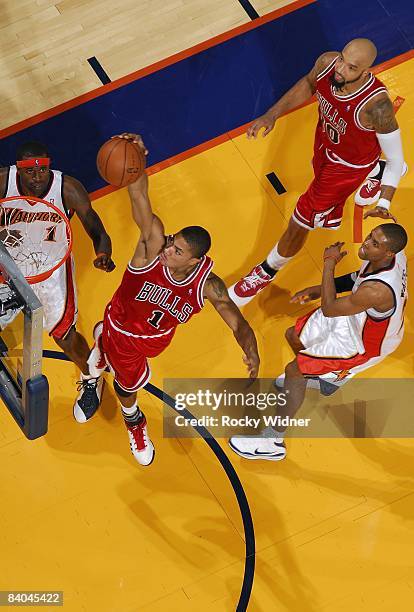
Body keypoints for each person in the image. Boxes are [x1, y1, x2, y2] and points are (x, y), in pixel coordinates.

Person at [86, 133, 260, 466]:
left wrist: (251, 352)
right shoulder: (152, 247)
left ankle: (100, 344)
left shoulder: (207, 284)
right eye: (171, 243)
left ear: (194, 261)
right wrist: (137, 158)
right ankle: (134, 419)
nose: (168, 250)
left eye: (177, 250)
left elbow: (237, 321)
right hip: (124, 332)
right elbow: (139, 197)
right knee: (127, 387)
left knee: (116, 357)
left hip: (155, 339)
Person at [228, 38, 407, 307]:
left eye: (351, 68)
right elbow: (309, 84)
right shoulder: (327, 63)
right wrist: (272, 115)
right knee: (316, 197)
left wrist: (384, 202)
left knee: (302, 218)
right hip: (325, 144)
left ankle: (266, 271)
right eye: (342, 60)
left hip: (347, 167)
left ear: (366, 72)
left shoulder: (376, 106)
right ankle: (374, 170)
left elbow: (397, 159)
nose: (341, 69)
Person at [229, 223, 408, 461]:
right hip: (356, 316)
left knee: (294, 370)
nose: (366, 243)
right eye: (370, 236)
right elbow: (358, 277)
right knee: (293, 335)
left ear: (388, 253)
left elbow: (331, 308)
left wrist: (329, 264)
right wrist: (318, 289)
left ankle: (272, 440)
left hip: (364, 344)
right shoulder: (391, 256)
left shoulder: (377, 291)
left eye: (375, 244)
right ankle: (328, 378)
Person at [0, 141, 116, 421]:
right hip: (9, 267)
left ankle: (92, 378)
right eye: (31, 171)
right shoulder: (4, 181)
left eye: (43, 169)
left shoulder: (67, 189)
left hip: (50, 270)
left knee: (65, 335)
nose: (38, 176)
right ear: (19, 169)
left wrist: (103, 253)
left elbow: (96, 229)